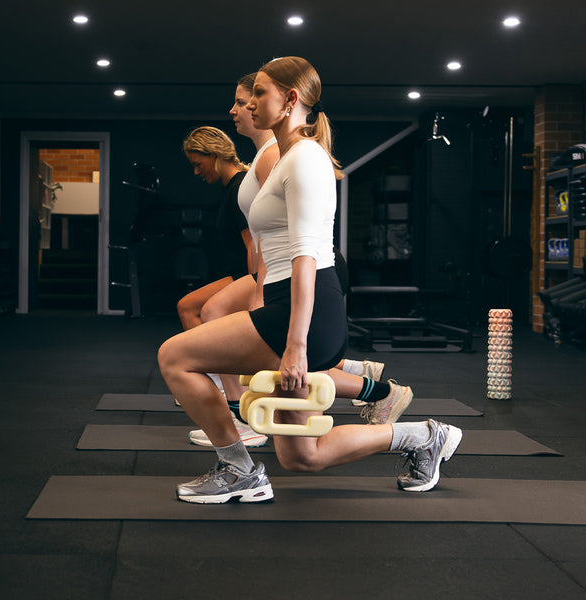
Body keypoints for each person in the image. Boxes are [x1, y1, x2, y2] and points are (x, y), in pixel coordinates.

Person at [157, 56, 462, 504]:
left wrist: (295, 345)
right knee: (303, 457)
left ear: (290, 100)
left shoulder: (304, 159)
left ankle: (237, 468)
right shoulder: (284, 158)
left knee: (174, 356)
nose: (250, 102)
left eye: (260, 93)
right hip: (293, 304)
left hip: (304, 308)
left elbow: (306, 256)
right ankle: (424, 436)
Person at [185, 74, 412, 448]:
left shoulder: (281, 155)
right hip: (283, 274)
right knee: (302, 453)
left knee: (207, 325)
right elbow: (266, 234)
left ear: (287, 101)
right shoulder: (267, 154)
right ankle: (380, 394)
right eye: (247, 98)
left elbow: (294, 242)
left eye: (249, 98)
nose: (240, 108)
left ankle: (240, 416)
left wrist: (260, 294)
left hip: (303, 271)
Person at [175, 126, 253, 331]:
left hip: (247, 277)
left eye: (198, 164)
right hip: (235, 275)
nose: (196, 171)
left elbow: (254, 247)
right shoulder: (230, 188)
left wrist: (258, 296)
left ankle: (211, 360)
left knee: (188, 308)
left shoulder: (240, 189)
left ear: (215, 155)